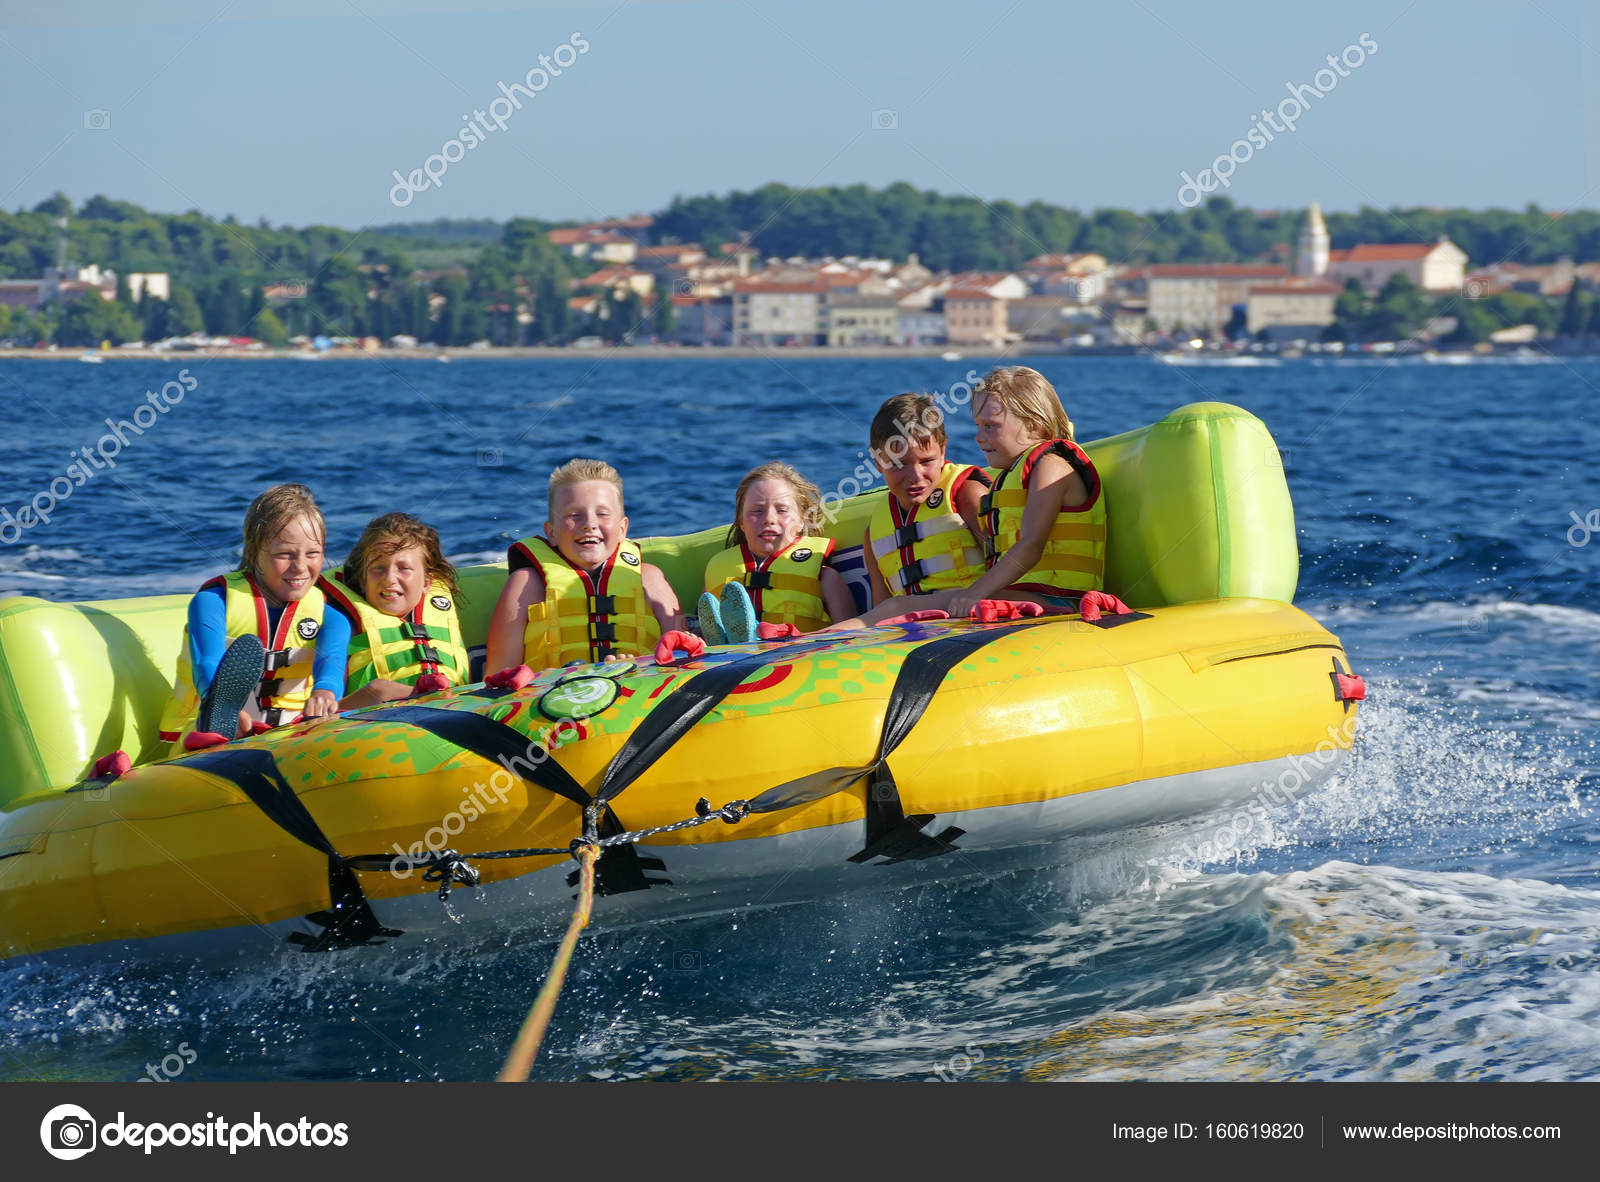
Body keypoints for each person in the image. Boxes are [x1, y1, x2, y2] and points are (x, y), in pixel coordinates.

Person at [830, 366, 1111, 628]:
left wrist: (973, 594)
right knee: (894, 608)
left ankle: (814, 643)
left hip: (1058, 602)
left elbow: (1032, 544)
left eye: (989, 426)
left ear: (1034, 426)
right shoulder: (1015, 474)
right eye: (978, 426)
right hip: (1020, 597)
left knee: (898, 607)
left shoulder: (1051, 466)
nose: (978, 437)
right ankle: (810, 643)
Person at [155, 483, 327, 751]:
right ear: (254, 553)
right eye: (284, 554)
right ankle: (219, 720)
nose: (300, 566)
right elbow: (207, 663)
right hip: (204, 732)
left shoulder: (328, 613)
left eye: (313, 553)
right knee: (216, 729)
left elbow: (332, 663)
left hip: (292, 730)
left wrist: (325, 694)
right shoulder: (213, 602)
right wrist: (222, 707)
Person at [485, 458, 686, 675]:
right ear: (551, 532)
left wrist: (638, 668)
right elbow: (498, 678)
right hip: (551, 700)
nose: (589, 524)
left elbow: (684, 657)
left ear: (622, 528)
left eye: (602, 513)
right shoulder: (526, 585)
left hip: (641, 694)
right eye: (574, 515)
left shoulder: (649, 579)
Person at [304, 512, 468, 715]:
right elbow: (330, 698)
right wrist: (375, 693)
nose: (390, 578)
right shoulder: (342, 620)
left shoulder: (442, 611)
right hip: (375, 725)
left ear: (426, 583)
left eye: (404, 568)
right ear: (363, 581)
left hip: (454, 713)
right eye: (378, 568)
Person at [699, 461, 855, 643]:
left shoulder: (826, 578)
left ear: (802, 521)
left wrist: (793, 638)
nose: (769, 519)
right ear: (741, 522)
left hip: (798, 659)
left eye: (782, 510)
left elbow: (850, 639)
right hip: (730, 664)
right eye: (757, 511)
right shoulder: (718, 573)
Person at [862, 392, 990, 606]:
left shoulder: (967, 496)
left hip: (972, 621)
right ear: (877, 463)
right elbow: (880, 610)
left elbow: (1007, 571)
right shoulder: (873, 532)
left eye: (927, 461)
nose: (915, 476)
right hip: (914, 632)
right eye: (899, 464)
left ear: (942, 452)